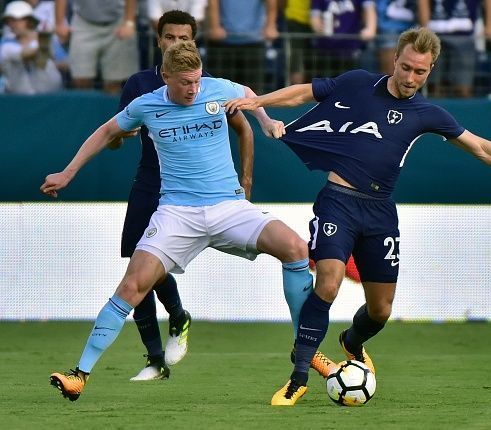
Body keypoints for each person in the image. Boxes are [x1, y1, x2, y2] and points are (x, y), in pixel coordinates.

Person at [224, 26, 491, 405]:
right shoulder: (358, 83)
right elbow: (304, 92)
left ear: (431, 69)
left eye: (420, 72)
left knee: (381, 310)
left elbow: (481, 148)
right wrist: (259, 103)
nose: (410, 78)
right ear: (394, 60)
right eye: (405, 68)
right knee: (328, 282)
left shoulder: (426, 113)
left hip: (380, 213)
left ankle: (351, 341)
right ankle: (299, 374)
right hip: (338, 200)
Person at [43, 40, 334, 402]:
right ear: (166, 76)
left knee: (295, 248)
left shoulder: (217, 89)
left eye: (197, 81)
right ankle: (79, 375)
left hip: (229, 207)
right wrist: (68, 173)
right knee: (132, 285)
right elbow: (106, 132)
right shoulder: (146, 105)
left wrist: (265, 119)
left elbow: (248, 94)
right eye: (185, 83)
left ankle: (303, 348)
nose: (193, 89)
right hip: (177, 214)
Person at [110, 9, 260, 382]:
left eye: (184, 38)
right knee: (135, 265)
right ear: (158, 40)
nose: (177, 43)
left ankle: (176, 315)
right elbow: (115, 137)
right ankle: (155, 358)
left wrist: (246, 178)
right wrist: (119, 137)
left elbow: (244, 128)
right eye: (170, 37)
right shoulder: (139, 84)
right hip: (150, 181)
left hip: (199, 191)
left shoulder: (205, 84)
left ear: (194, 42)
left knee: (151, 269)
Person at [54, 0, 138, 93]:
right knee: (80, 80)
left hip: (118, 20)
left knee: (115, 84)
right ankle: (86, 107)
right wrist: (59, 23)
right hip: (83, 21)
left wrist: (129, 22)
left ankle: (111, 107)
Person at [0, 0, 63, 94]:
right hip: (18, 94)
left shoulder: (47, 40)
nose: (11, 24)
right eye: (9, 21)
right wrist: (40, 51)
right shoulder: (6, 43)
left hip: (48, 92)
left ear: (28, 20)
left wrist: (51, 60)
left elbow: (65, 63)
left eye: (15, 20)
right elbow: (24, 54)